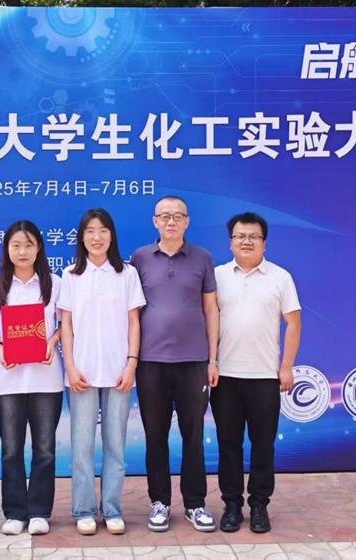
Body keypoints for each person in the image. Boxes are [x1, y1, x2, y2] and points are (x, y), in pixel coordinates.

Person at [129, 195, 219, 533]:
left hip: (193, 361)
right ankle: (160, 502)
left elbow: (211, 309)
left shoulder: (202, 258)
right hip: (150, 361)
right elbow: (131, 313)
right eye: (164, 216)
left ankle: (195, 503)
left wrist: (213, 358)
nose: (171, 221)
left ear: (187, 221)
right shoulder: (139, 258)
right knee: (155, 435)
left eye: (177, 216)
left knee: (193, 435)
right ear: (154, 221)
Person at [211, 212, 301, 534]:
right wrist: (210, 361)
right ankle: (232, 505)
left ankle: (260, 505)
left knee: (263, 444)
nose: (246, 241)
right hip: (225, 376)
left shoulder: (280, 277)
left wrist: (286, 366)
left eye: (253, 236)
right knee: (228, 444)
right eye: (240, 236)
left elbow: (293, 323)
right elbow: (207, 320)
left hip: (265, 377)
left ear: (264, 242)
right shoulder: (217, 276)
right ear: (230, 242)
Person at [58, 208, 145, 536]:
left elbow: (134, 321)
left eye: (103, 230)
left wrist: (131, 363)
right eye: (90, 231)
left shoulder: (127, 273)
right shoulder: (71, 275)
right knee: (81, 446)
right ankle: (83, 510)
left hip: (118, 372)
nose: (96, 237)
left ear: (112, 235)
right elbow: (65, 324)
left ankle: (112, 509)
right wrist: (70, 366)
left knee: (115, 445)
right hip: (81, 372)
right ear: (81, 238)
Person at [0, 220, 63, 536]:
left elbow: (67, 323)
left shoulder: (55, 284)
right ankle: (15, 512)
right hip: (8, 380)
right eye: (16, 245)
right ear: (7, 249)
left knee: (45, 448)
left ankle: (40, 510)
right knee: (11, 449)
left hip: (47, 378)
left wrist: (53, 341)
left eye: (28, 244)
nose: (22, 251)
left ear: (38, 247)